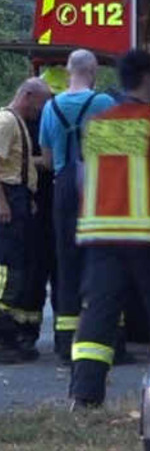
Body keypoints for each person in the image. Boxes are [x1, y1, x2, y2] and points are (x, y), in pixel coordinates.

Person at [70, 50, 150, 408]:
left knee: (98, 315)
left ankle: (84, 397)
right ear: (148, 77)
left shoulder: (98, 123)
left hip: (98, 234)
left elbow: (84, 179)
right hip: (145, 235)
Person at [39, 50, 115, 361]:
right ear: (93, 71)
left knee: (66, 262)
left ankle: (64, 342)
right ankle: (105, 339)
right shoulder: (104, 103)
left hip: (63, 188)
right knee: (100, 261)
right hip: (96, 186)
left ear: (69, 70)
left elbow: (46, 160)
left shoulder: (50, 107)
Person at [0, 79, 52, 361]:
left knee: (19, 269)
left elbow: (16, 164)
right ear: (28, 96)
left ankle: (9, 338)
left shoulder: (17, 123)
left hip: (19, 197)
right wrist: (3, 203)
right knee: (10, 272)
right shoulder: (6, 121)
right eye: (41, 103)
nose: (41, 110)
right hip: (9, 198)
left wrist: (28, 193)